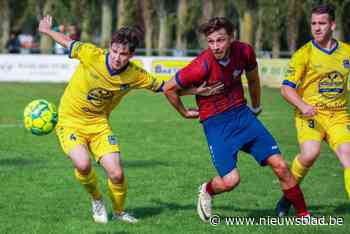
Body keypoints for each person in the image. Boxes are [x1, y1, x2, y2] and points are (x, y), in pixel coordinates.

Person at [38, 15, 221, 224]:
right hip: (70, 120)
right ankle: (97, 200)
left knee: (116, 175)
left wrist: (195, 90)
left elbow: (165, 87)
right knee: (83, 164)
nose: (117, 57)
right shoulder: (90, 54)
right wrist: (46, 30)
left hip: (99, 124)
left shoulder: (135, 75)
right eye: (114, 51)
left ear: (131, 55)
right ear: (110, 48)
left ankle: (118, 212)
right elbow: (66, 41)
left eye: (123, 54)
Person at [163, 17, 310, 222]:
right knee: (231, 181)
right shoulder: (201, 65)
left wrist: (256, 106)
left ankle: (304, 215)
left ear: (231, 37)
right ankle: (206, 189)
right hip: (216, 123)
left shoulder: (244, 52)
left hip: (242, 115)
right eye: (211, 41)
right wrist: (185, 110)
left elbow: (253, 79)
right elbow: (168, 88)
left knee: (281, 166)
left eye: (220, 40)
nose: (215, 46)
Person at [276, 4, 350, 216]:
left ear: (332, 25)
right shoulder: (304, 54)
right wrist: (303, 105)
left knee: (349, 158)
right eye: (314, 23)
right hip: (310, 114)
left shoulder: (346, 52)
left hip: (338, 115)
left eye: (322, 23)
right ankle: (288, 196)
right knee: (310, 154)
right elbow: (286, 89)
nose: (317, 28)